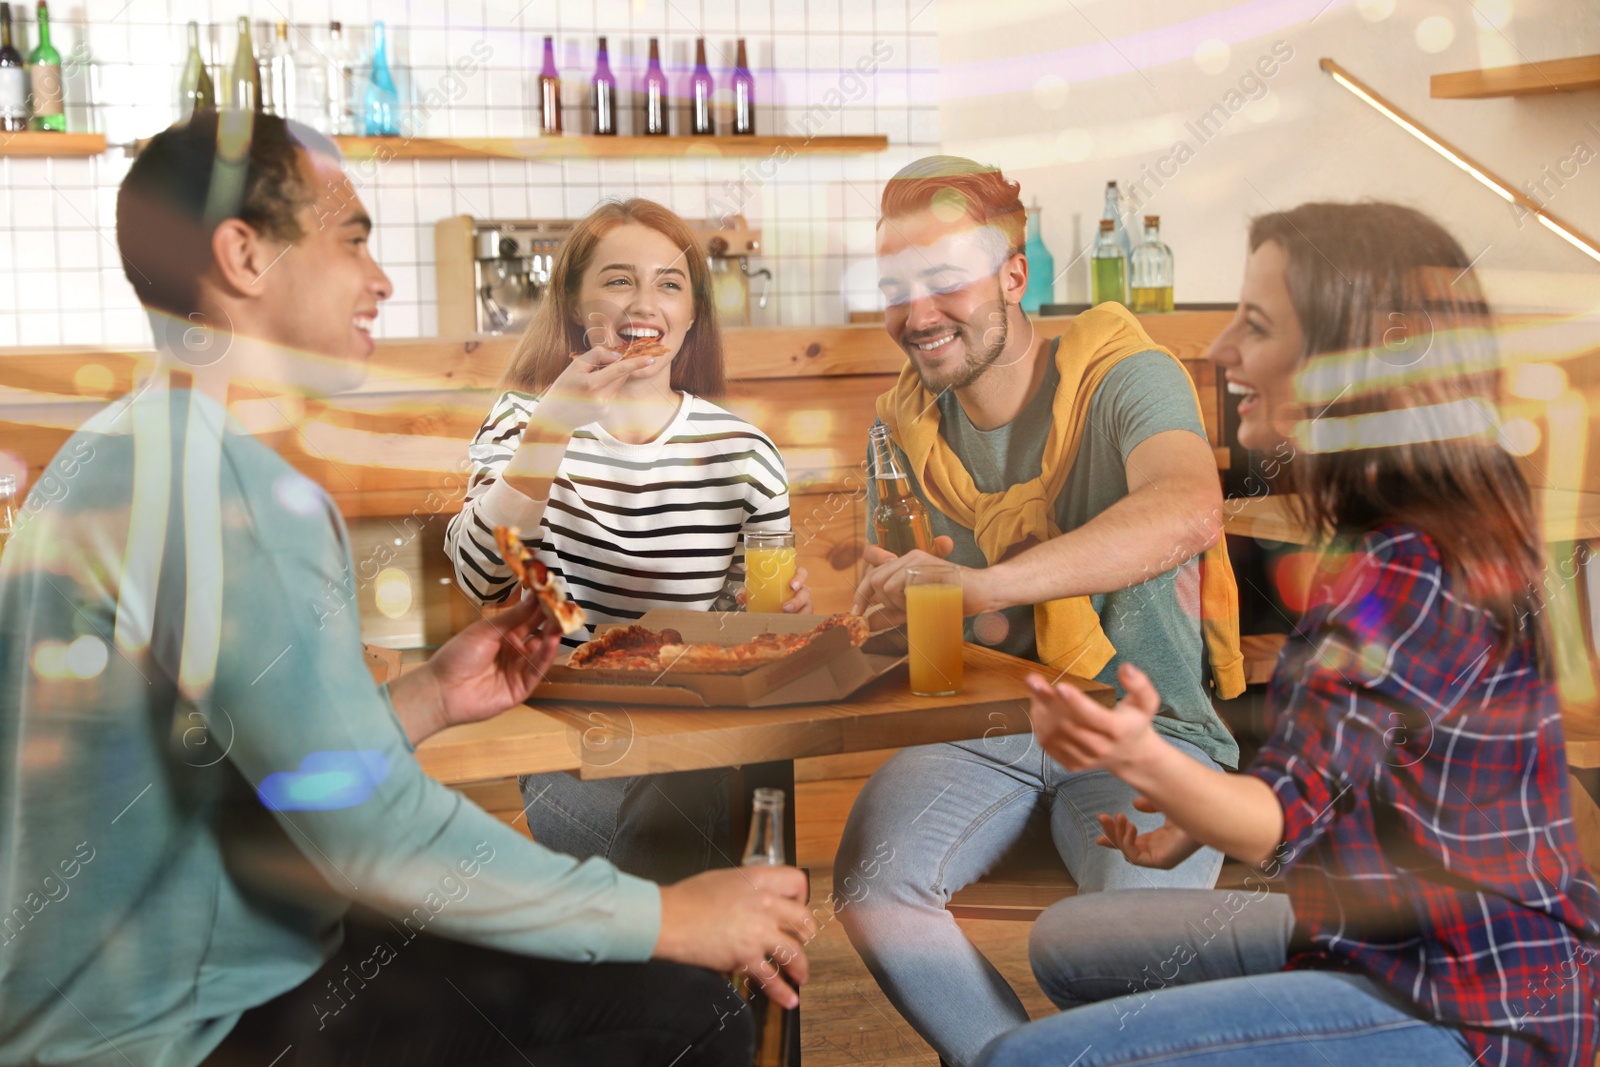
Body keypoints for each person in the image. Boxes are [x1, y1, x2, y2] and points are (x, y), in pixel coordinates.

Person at [0, 110, 813, 1067]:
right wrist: (667, 913)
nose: (381, 279)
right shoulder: (234, 493)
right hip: (187, 1034)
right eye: (353, 239)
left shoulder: (123, 448)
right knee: (693, 1013)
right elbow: (373, 835)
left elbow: (267, 777)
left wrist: (427, 693)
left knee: (638, 995)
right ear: (244, 256)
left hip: (131, 1003)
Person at [979, 202, 1600, 1067]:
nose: (1221, 347)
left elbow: (1275, 822)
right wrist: (1185, 828)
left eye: (1257, 325)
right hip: (1372, 932)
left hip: (1457, 997)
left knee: (1025, 1060)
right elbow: (1337, 758)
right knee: (1071, 940)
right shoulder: (1410, 528)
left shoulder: (1409, 571)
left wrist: (1139, 753)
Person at [835, 155, 1248, 1065]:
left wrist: (982, 586)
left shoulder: (1125, 374)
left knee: (1128, 964)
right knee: (872, 886)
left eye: (945, 279)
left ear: (1014, 276)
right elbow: (920, 618)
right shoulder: (897, 424)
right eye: (896, 287)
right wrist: (884, 604)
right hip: (976, 728)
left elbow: (1187, 509)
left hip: (1142, 726)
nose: (918, 314)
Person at [444, 198, 810, 884]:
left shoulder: (745, 451)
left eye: (669, 284)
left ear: (692, 313)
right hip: (573, 745)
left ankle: (665, 957)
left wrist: (776, 621)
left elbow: (751, 631)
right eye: (618, 280)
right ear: (577, 307)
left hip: (703, 730)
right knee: (700, 836)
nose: (645, 303)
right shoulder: (526, 420)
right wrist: (549, 433)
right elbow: (481, 577)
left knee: (697, 787)